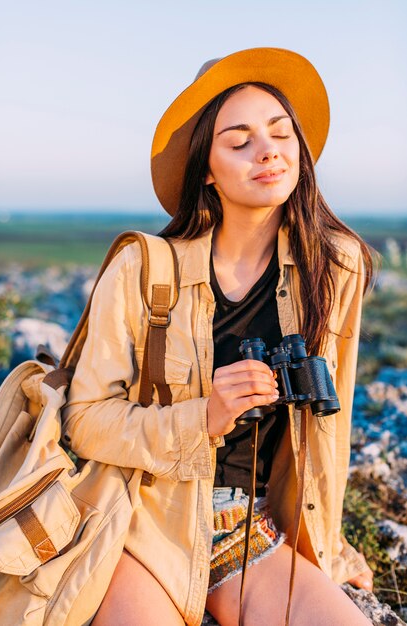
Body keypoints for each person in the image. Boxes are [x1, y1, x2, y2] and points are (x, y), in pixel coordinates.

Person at [63, 48, 375, 625]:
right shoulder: (142, 268)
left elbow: (330, 425)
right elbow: (84, 419)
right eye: (240, 141)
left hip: (242, 521)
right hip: (138, 515)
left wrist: (326, 545)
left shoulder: (335, 268)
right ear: (206, 169)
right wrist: (203, 416)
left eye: (281, 133)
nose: (269, 151)